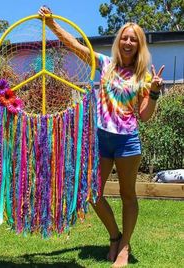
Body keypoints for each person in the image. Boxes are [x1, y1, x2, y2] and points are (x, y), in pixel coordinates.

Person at [38, 6, 164, 268]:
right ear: (119, 41)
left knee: (127, 194)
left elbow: (144, 115)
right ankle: (114, 236)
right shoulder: (105, 64)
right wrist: (51, 24)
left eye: (134, 39)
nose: (128, 42)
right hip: (101, 139)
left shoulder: (144, 76)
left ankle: (125, 246)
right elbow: (73, 45)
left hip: (127, 141)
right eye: (125, 37)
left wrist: (152, 93)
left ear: (139, 45)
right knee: (92, 193)